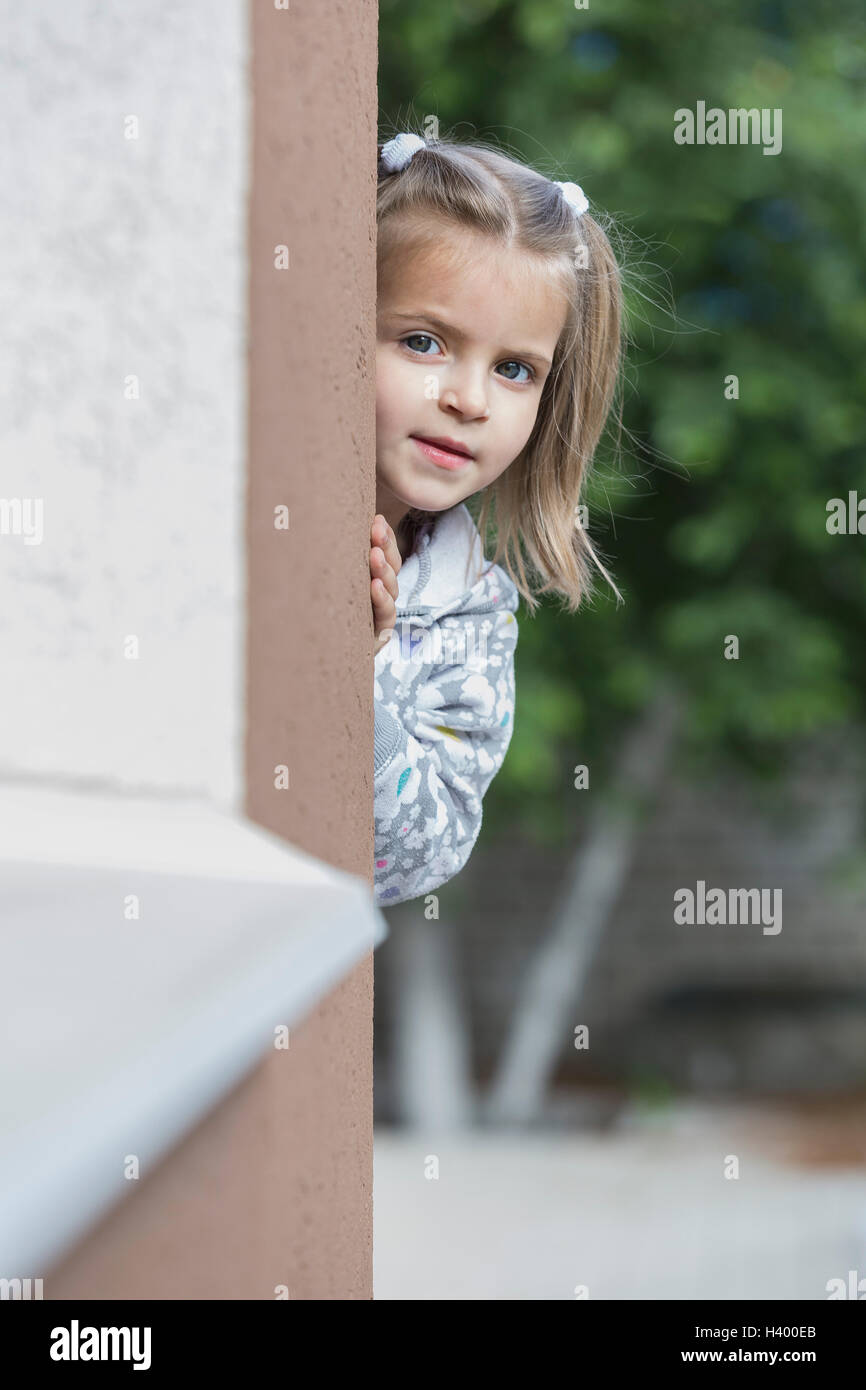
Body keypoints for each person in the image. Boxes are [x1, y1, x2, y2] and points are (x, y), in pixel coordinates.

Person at [370, 130, 624, 908]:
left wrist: (358, 672)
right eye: (424, 342)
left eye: (514, 369)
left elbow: (416, 859)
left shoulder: (471, 614)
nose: (469, 399)